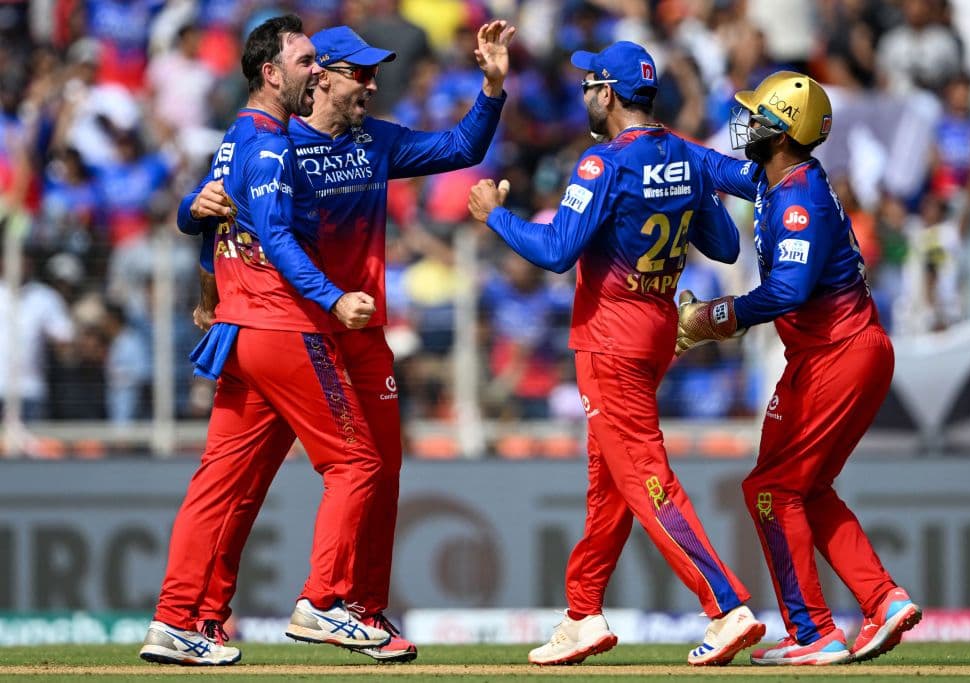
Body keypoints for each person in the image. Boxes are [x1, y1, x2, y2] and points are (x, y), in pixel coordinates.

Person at [180, 20, 516, 663]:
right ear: (321, 76)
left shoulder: (374, 140)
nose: (372, 82)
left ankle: (360, 608)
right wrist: (209, 287)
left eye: (373, 72)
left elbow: (461, 147)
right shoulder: (274, 143)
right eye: (358, 72)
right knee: (256, 481)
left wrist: (492, 87)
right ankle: (234, 613)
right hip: (298, 331)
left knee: (381, 469)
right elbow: (213, 220)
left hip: (360, 334)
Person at [468, 41, 765, 667]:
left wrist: (495, 216)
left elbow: (554, 250)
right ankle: (582, 615)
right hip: (657, 329)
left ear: (607, 94)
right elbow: (725, 245)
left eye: (588, 85)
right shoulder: (685, 154)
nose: (581, 96)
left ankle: (726, 605)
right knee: (610, 486)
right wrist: (691, 191)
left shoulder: (601, 165)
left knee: (646, 479)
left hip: (610, 339)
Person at [139, 15, 392, 666]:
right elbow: (269, 236)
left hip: (241, 326)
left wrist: (205, 279)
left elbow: (202, 212)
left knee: (221, 485)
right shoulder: (273, 143)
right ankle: (325, 603)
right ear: (271, 73)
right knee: (357, 462)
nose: (318, 69)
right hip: (283, 324)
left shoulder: (241, 136)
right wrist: (334, 297)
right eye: (307, 60)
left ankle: (180, 619)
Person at [675, 70, 923, 665]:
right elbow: (715, 168)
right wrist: (654, 141)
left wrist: (715, 317)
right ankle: (882, 600)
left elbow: (787, 289)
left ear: (784, 132)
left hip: (839, 354)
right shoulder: (772, 179)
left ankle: (813, 632)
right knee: (802, 488)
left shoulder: (798, 197)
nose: (748, 126)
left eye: (759, 118)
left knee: (772, 490)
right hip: (829, 355)